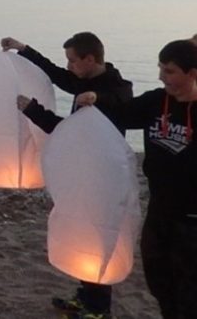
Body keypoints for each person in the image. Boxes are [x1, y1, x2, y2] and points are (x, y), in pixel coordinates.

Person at [2, 32, 133, 319]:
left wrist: (33, 111)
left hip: (103, 174)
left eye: (73, 60)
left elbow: (109, 106)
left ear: (89, 59)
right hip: (80, 168)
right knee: (82, 234)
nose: (70, 66)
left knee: (99, 235)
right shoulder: (82, 80)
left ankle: (99, 308)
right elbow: (54, 72)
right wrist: (23, 49)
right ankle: (86, 297)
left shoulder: (116, 89)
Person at [74, 39, 197, 319]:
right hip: (160, 211)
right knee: (159, 281)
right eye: (160, 68)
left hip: (192, 220)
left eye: (169, 71)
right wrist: (97, 98)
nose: (161, 76)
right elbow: (121, 112)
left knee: (189, 292)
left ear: (192, 74)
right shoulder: (157, 101)